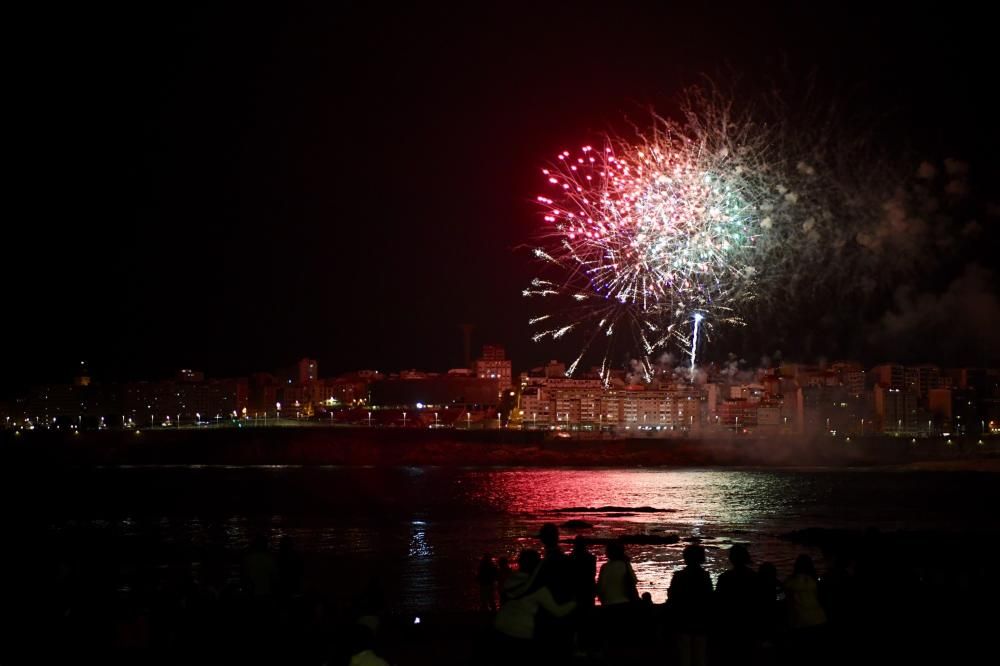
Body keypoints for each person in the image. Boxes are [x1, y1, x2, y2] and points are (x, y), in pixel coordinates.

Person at [494, 549, 577, 661]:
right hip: (521, 631)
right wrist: (574, 602)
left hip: (500, 625)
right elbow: (558, 611)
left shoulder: (511, 579)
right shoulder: (539, 589)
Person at [668, 544, 713, 666]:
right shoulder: (705, 576)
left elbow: (672, 597)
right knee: (700, 656)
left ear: (685, 557)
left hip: (683, 620)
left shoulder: (678, 576)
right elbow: (709, 598)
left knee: (685, 656)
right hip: (700, 620)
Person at [715, 544, 760, 664]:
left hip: (730, 624)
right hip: (749, 623)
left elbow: (718, 602)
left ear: (731, 559)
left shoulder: (724, 578)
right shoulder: (754, 577)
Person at [783, 554, 827, 663]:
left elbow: (782, 598)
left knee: (801, 654)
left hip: (800, 622)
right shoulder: (816, 581)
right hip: (819, 620)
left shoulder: (789, 582)